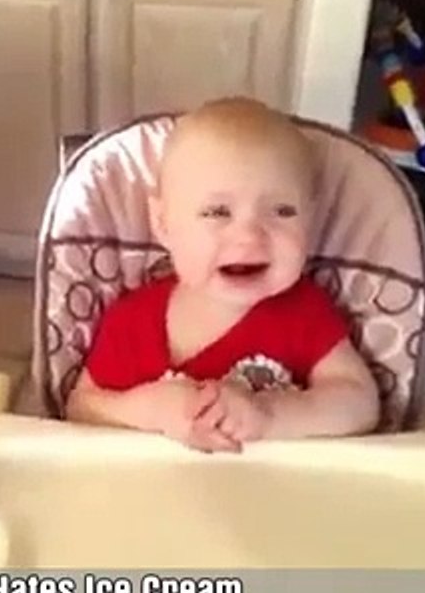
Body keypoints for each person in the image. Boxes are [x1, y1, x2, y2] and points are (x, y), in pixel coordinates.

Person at [65, 98, 380, 452]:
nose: (249, 236)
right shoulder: (133, 323)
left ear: (311, 220)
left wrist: (270, 416)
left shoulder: (305, 313)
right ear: (163, 223)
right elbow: (82, 408)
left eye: (282, 211)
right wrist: (148, 411)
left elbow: (361, 404)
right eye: (217, 211)